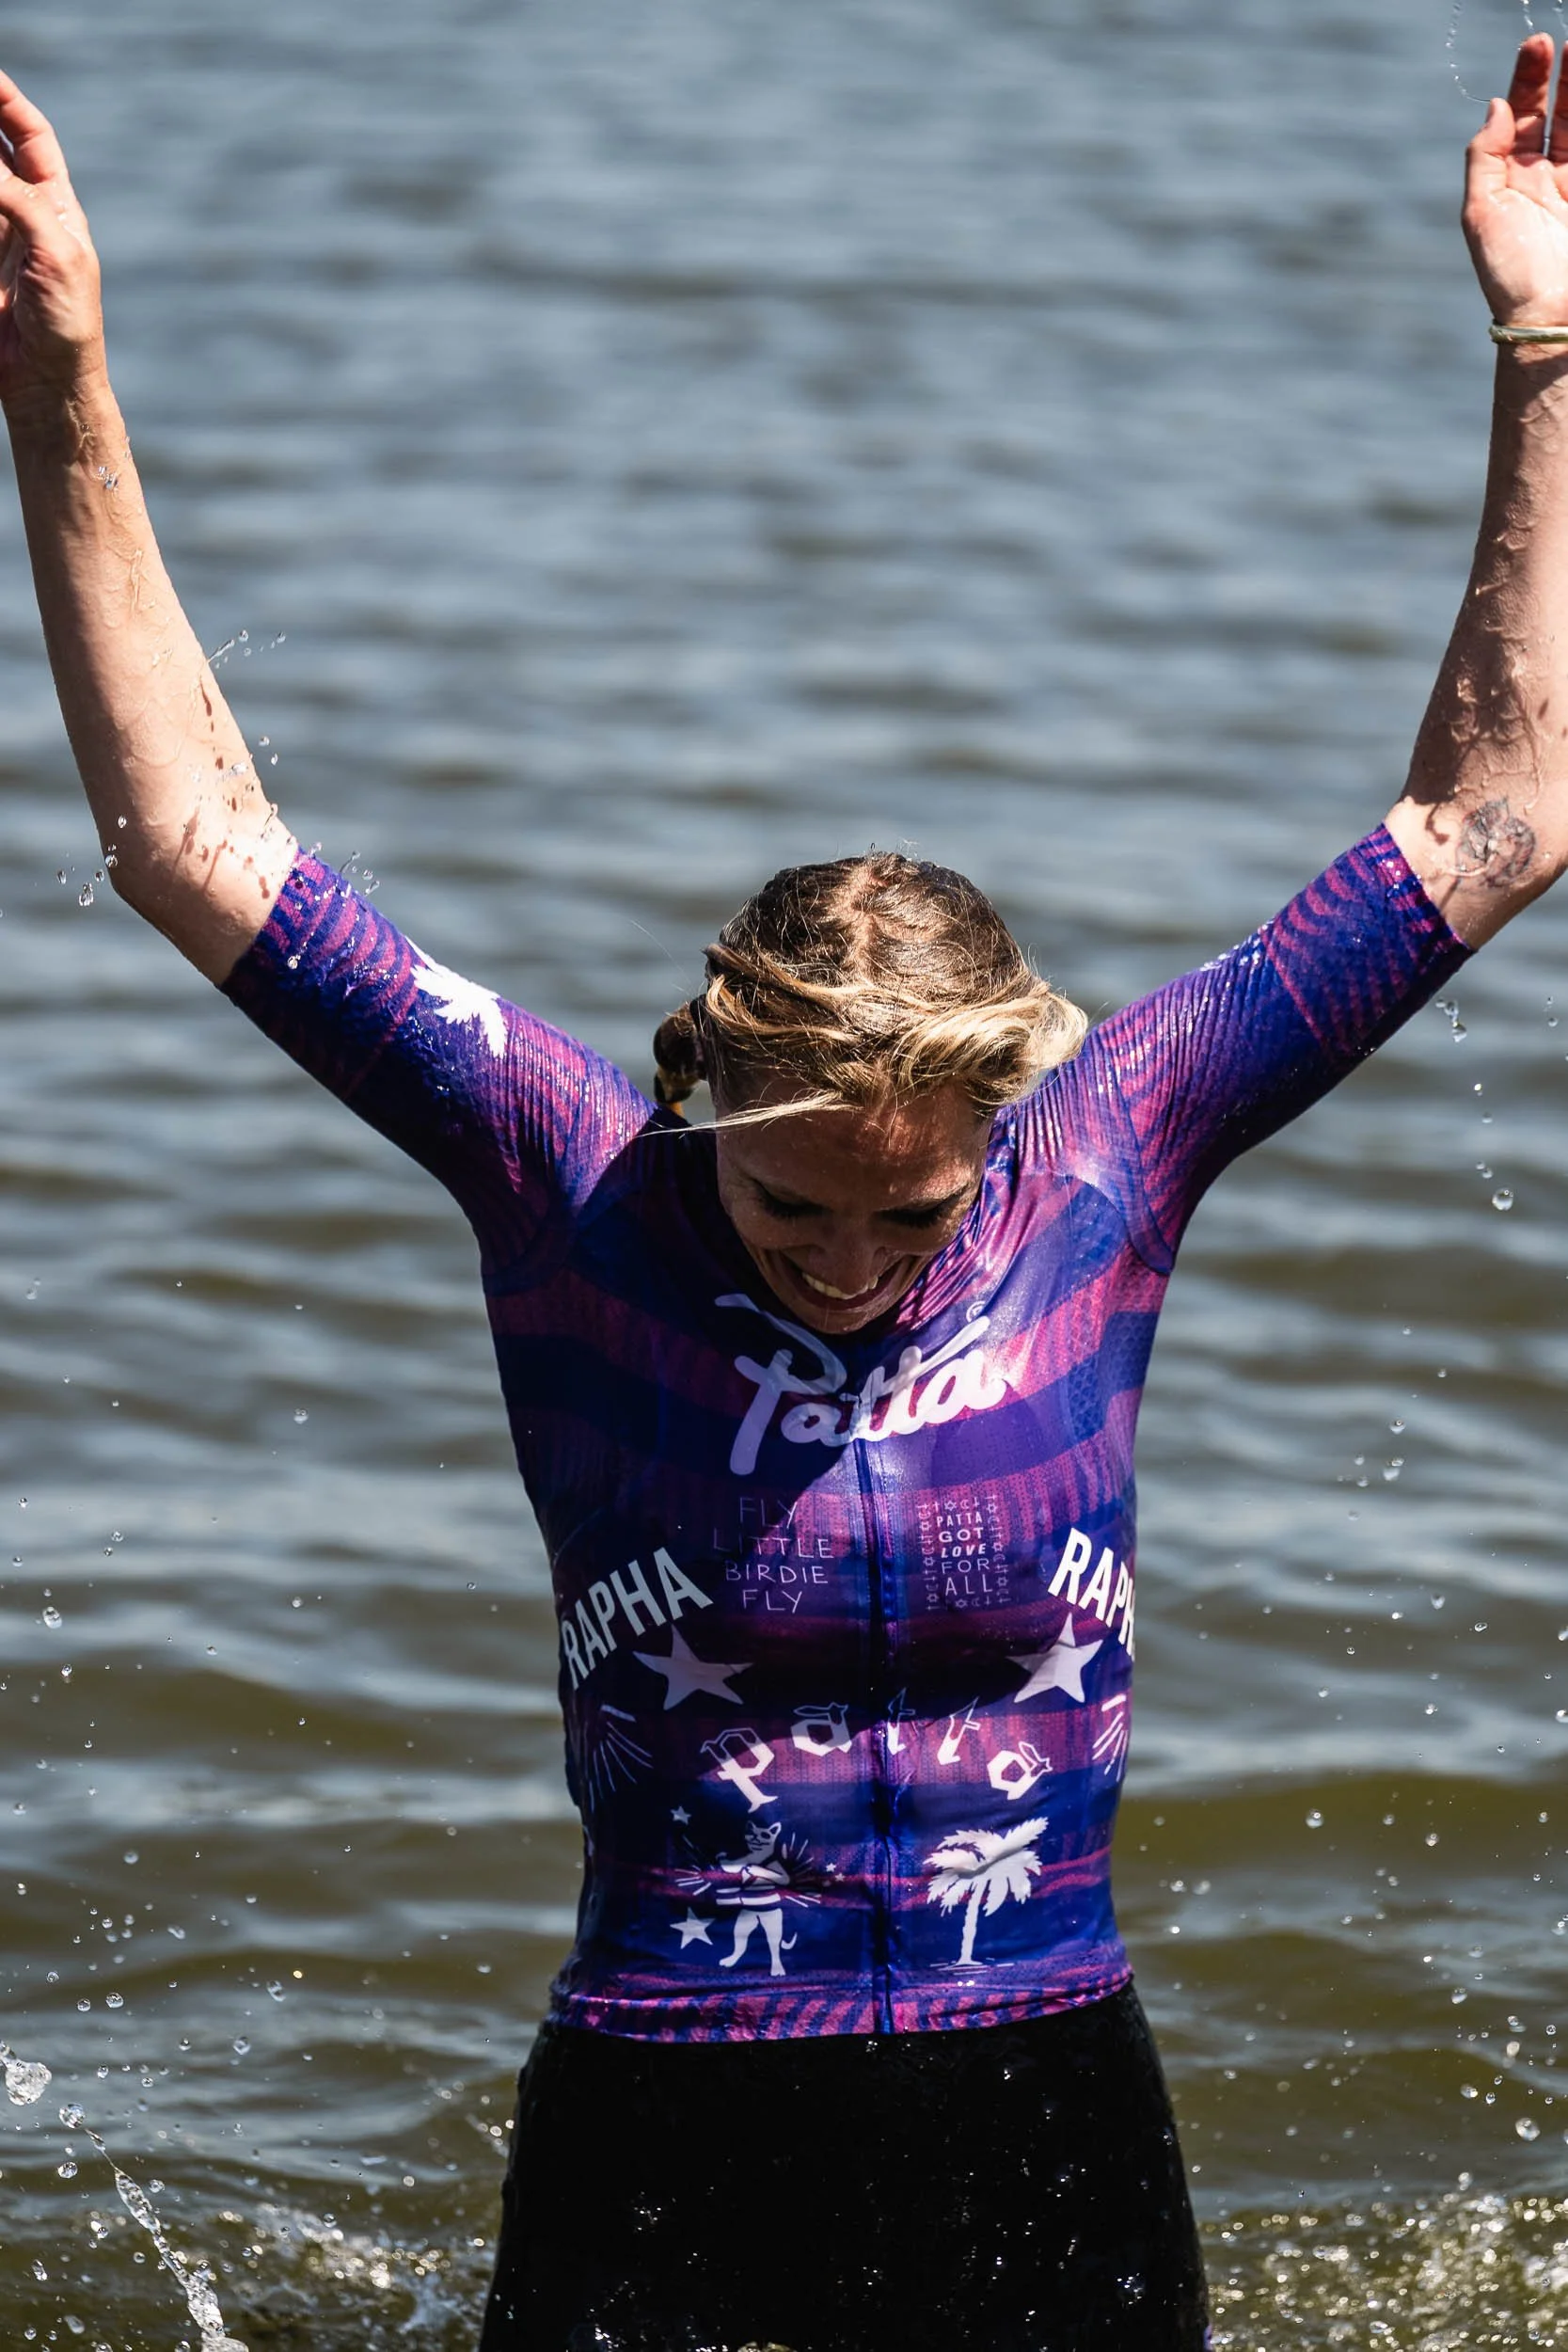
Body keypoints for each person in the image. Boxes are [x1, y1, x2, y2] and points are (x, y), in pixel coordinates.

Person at [1, 34, 1566, 2351]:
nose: (847, 1266)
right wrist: (60, 372)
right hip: (664, 2097)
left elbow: (1497, 817)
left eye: (902, 1222)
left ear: (992, 1136)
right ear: (703, 1112)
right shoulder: (568, 1175)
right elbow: (194, 848)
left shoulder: (1108, 1153)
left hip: (1043, 2091)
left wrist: (1542, 345)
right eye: (792, 1214)